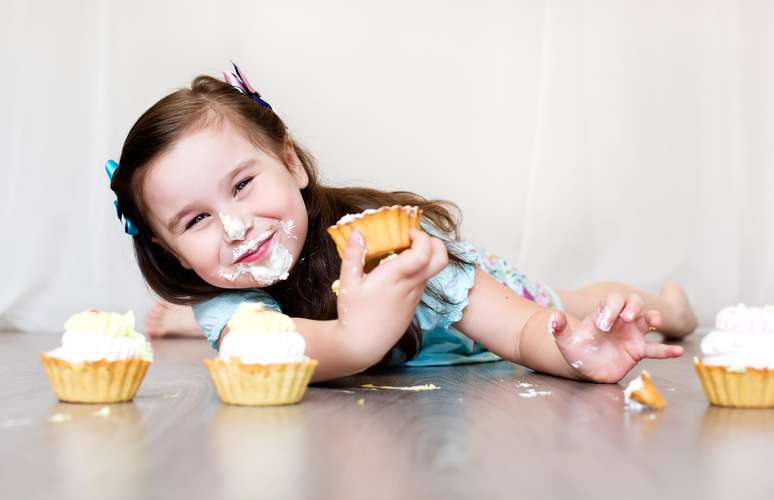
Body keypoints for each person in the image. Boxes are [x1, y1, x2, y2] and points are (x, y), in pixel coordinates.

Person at [109, 64, 697, 383]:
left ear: (290, 162)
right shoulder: (226, 304)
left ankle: (669, 309)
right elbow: (274, 351)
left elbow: (519, 331)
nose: (237, 226)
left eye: (242, 185)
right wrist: (353, 337)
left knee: (564, 302)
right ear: (173, 253)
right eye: (197, 220)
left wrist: (579, 349)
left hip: (482, 307)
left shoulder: (396, 252)